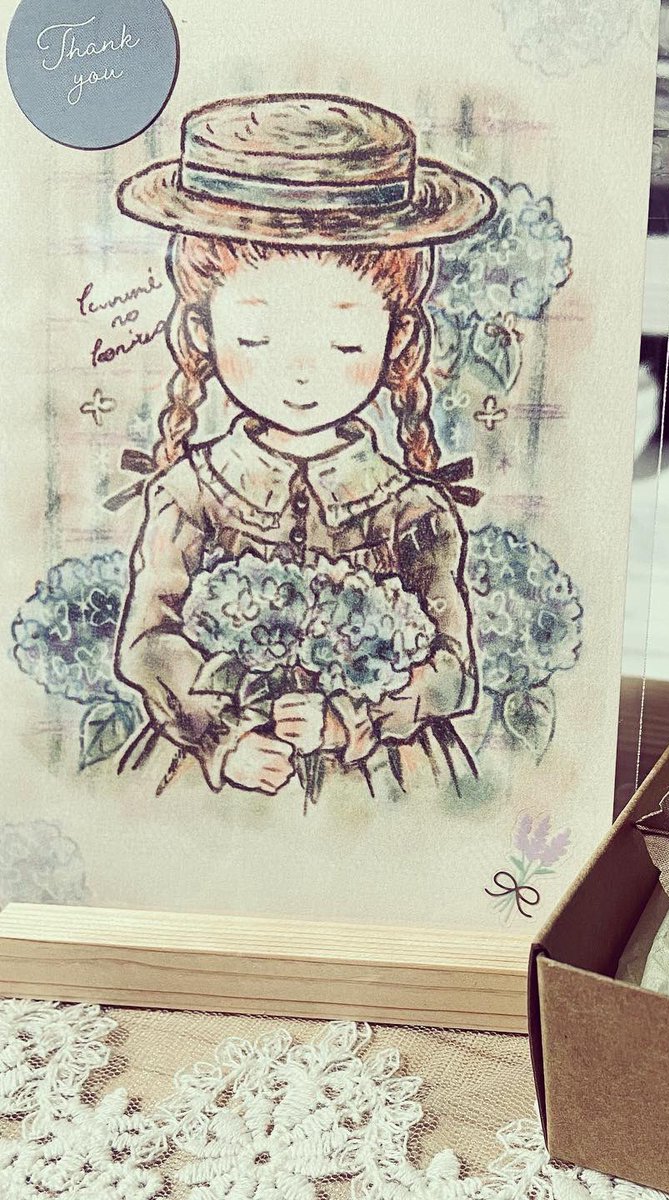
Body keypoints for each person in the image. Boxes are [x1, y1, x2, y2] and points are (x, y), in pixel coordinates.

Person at [112, 92, 496, 798]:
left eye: (344, 342)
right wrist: (224, 738)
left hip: (378, 778)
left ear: (397, 340)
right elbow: (147, 640)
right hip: (215, 769)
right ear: (201, 331)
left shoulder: (413, 512)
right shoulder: (190, 494)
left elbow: (452, 671)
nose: (299, 373)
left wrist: (349, 722)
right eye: (257, 338)